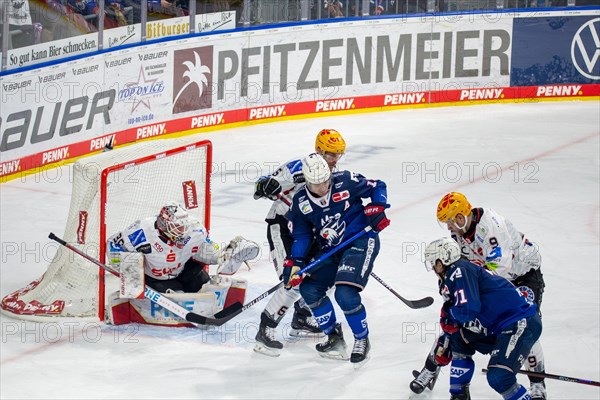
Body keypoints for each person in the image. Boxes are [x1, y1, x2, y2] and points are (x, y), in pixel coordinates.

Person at [411, 192, 547, 400]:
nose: (448, 227)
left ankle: (537, 384)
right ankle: (432, 368)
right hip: (491, 281)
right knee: (460, 321)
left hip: (522, 275)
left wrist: (470, 287)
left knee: (524, 327)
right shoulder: (459, 233)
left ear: (460, 216)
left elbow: (500, 268)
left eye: (449, 221)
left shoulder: (490, 226)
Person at [284, 153, 390, 367]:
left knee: (345, 293)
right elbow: (302, 235)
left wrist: (377, 207)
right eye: (315, 183)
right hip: (331, 249)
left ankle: (361, 339)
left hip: (360, 241)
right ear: (306, 180)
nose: (322, 187)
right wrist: (296, 262)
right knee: (309, 289)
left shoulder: (346, 180)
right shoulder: (301, 201)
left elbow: (378, 185)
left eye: (325, 180)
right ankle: (334, 337)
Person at [252, 129, 347, 357]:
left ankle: (302, 317)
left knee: (327, 273)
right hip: (283, 228)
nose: (335, 160)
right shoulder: (297, 167)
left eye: (338, 155)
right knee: (293, 280)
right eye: (331, 154)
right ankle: (265, 331)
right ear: (319, 150)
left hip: (308, 233)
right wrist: (269, 186)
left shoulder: (332, 176)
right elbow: (261, 187)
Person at [423, 237, 542, 400]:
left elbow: (468, 310)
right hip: (502, 326)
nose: (433, 268)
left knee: (499, 377)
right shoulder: (459, 272)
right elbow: (463, 314)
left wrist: (449, 317)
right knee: (459, 338)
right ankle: (459, 395)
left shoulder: (459, 271)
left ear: (440, 261)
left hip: (520, 322)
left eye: (432, 263)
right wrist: (448, 338)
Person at [106, 201, 259, 293]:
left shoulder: (194, 229)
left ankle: (228, 253)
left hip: (185, 270)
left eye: (183, 226)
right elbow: (114, 244)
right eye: (178, 228)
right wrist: (131, 277)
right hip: (155, 280)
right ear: (164, 224)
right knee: (177, 294)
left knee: (205, 283)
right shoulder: (141, 231)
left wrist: (218, 255)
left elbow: (202, 248)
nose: (183, 232)